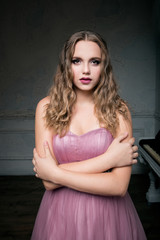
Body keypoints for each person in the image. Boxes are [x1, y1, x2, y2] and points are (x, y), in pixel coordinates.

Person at [31, 31, 147, 240]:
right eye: (76, 61)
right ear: (66, 65)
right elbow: (48, 183)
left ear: (104, 67)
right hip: (60, 214)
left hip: (109, 215)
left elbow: (119, 186)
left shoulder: (119, 110)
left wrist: (56, 173)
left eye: (95, 62)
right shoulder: (46, 107)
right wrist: (108, 160)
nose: (86, 70)